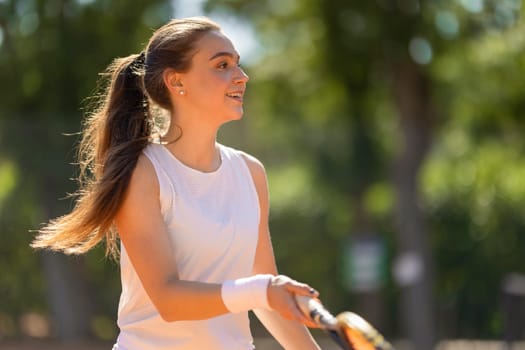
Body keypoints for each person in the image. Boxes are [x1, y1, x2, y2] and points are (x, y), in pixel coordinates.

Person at [31, 17, 322, 349]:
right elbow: (168, 299)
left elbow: (265, 296)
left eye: (238, 65)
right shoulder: (143, 172)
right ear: (176, 81)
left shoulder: (250, 173)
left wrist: (268, 296)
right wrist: (260, 290)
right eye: (222, 65)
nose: (242, 77)